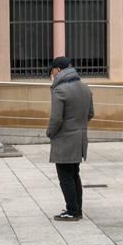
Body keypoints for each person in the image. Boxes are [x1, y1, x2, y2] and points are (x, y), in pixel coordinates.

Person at [47, 56, 95, 222]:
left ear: (58, 70)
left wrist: (50, 132)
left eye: (52, 70)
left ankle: (72, 211)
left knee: (65, 176)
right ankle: (76, 209)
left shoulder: (59, 90)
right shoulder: (84, 87)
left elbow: (56, 119)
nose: (51, 74)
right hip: (80, 137)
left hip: (65, 138)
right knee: (74, 174)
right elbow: (90, 113)